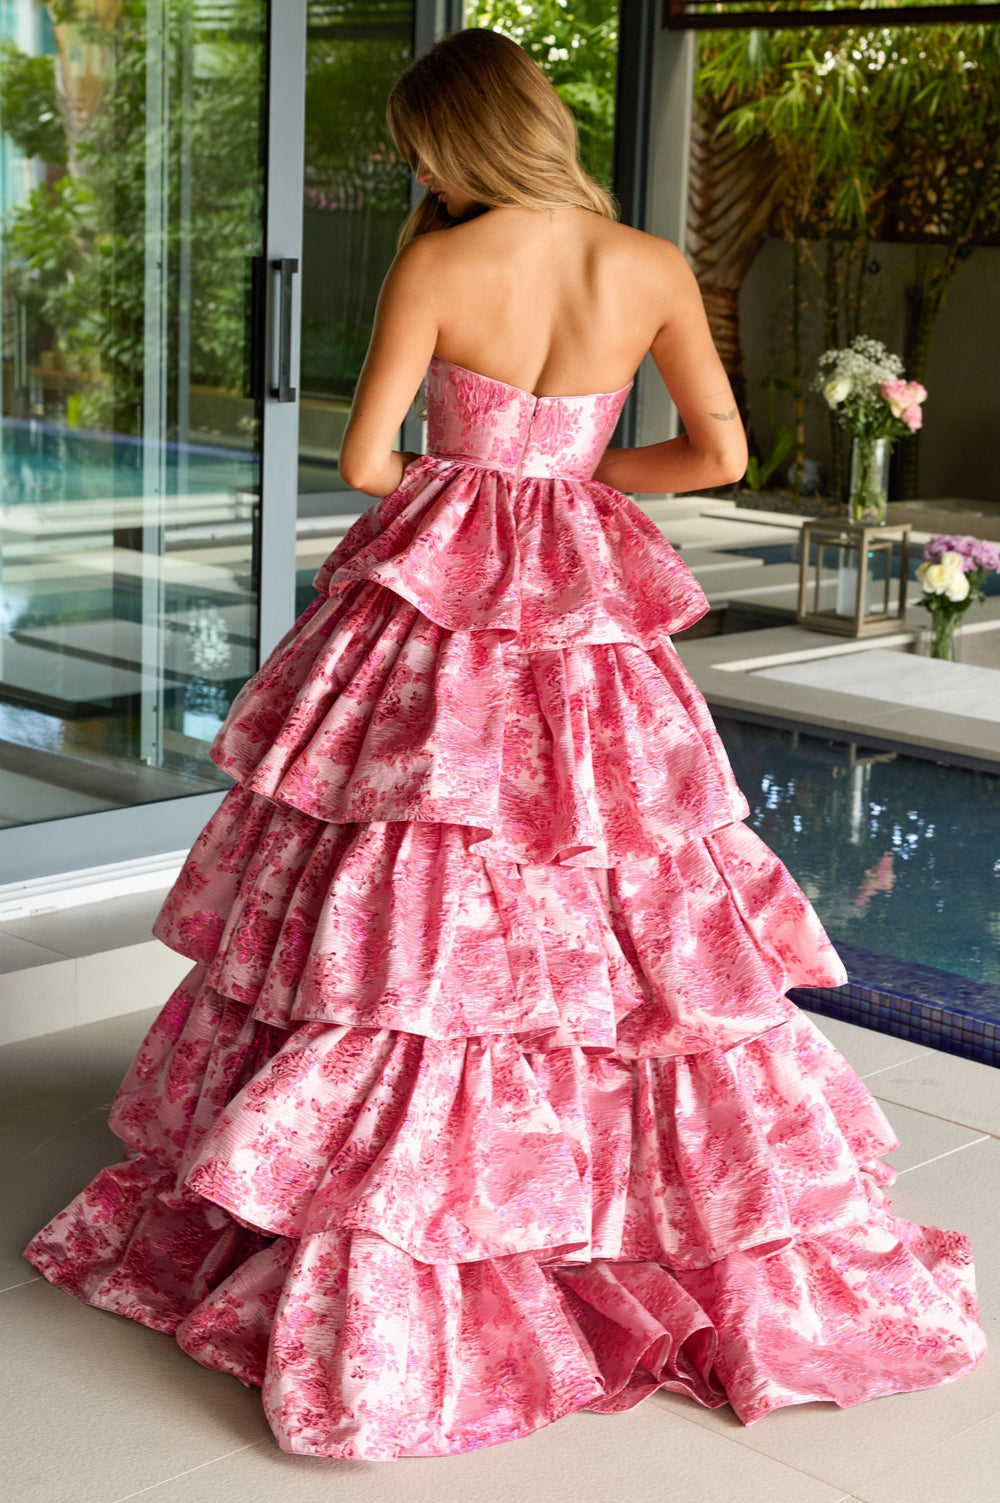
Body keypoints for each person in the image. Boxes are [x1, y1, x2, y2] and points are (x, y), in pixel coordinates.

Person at [25, 26, 985, 1462]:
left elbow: (366, 463)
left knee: (417, 868)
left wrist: (476, 483)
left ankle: (401, 1169)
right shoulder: (648, 263)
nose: (414, 169)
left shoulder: (439, 260)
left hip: (444, 600)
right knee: (614, 866)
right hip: (582, 597)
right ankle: (619, 1187)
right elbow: (718, 454)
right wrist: (575, 480)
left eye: (418, 147)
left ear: (453, 141)